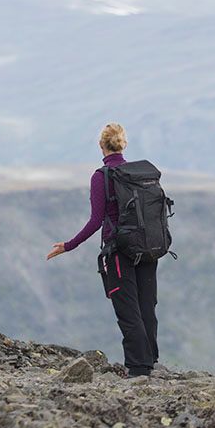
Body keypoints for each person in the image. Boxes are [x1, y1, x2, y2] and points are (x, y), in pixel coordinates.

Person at [47, 123, 158, 377]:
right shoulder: (139, 173)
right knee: (146, 306)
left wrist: (69, 245)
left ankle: (138, 370)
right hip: (148, 248)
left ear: (101, 145)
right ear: (124, 144)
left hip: (119, 251)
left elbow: (96, 221)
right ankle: (149, 362)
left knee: (128, 309)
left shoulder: (102, 176)